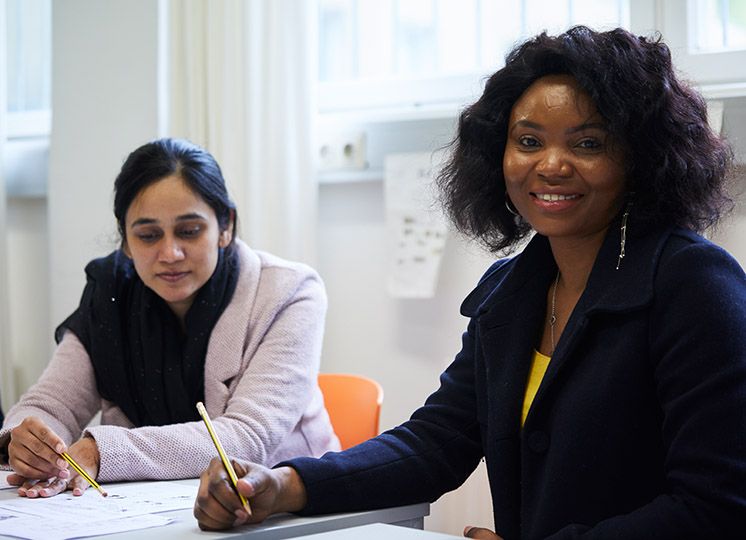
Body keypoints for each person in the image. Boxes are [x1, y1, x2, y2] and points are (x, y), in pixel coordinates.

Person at [193, 26, 746, 539]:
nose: (550, 165)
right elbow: (435, 443)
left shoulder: (694, 287)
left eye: (588, 144)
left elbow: (717, 505)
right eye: (528, 141)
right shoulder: (512, 290)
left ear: (643, 159)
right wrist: (285, 485)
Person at [0, 138, 339, 498]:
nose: (170, 253)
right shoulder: (110, 294)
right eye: (148, 236)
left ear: (225, 227)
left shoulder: (289, 292)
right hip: (151, 509)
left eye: (189, 231)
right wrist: (29, 443)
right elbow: (52, 405)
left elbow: (248, 438)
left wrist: (104, 451)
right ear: (126, 241)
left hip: (284, 509)